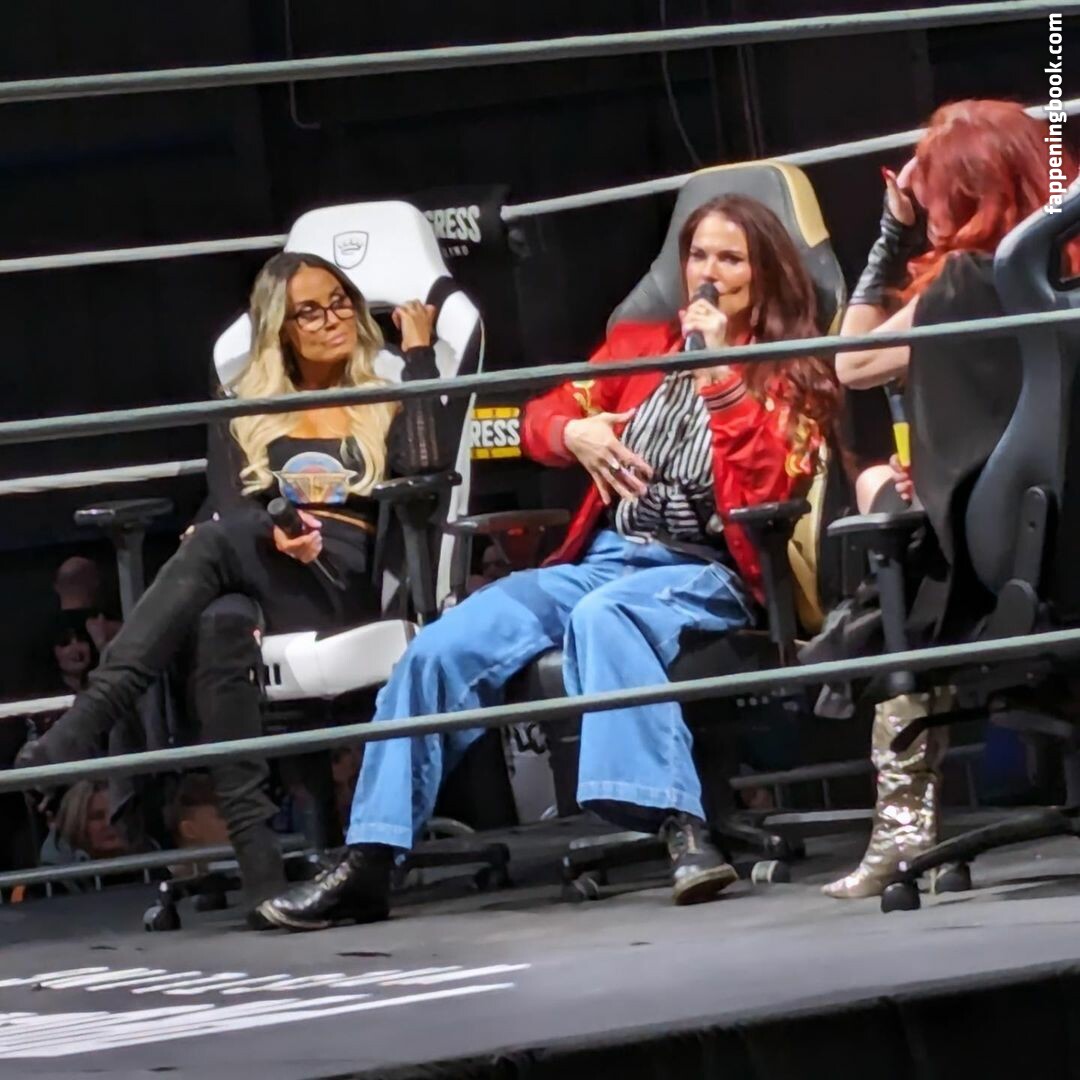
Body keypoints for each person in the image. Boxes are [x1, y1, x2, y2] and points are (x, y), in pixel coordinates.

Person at [258, 193, 842, 931]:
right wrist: (574, 434)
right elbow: (540, 416)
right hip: (603, 559)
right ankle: (371, 858)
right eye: (699, 255)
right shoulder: (641, 346)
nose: (709, 273)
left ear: (765, 274)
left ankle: (681, 827)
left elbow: (764, 490)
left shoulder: (788, 369)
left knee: (605, 615)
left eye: (731, 259)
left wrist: (721, 377)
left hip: (705, 569)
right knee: (441, 647)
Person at [16, 252, 452, 920]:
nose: (334, 319)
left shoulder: (383, 388)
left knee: (214, 544)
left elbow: (426, 468)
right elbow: (228, 502)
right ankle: (262, 877)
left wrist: (418, 355)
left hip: (342, 576)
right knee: (220, 618)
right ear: (281, 328)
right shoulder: (243, 405)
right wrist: (272, 530)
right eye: (311, 311)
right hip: (262, 557)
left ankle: (86, 724)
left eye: (341, 301)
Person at [824, 99, 1080, 899]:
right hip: (1061, 542)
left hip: (1003, 555)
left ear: (960, 190)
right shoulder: (1059, 273)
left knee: (897, 586)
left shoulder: (967, 281)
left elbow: (851, 365)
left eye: (929, 186)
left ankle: (902, 835)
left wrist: (890, 234)